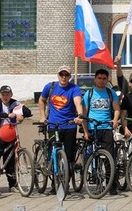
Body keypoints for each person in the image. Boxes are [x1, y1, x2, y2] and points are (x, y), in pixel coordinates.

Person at [38, 66, 83, 194]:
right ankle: (54, 184)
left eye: (66, 75)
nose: (64, 77)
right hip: (53, 125)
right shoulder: (50, 87)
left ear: (70, 76)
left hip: (69, 126)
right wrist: (42, 116)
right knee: (53, 154)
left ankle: (65, 183)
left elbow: (78, 103)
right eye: (61, 74)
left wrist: (79, 116)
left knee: (68, 157)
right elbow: (41, 100)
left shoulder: (74, 88)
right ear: (58, 75)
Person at [82, 69, 120, 195]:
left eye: (104, 78)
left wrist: (115, 120)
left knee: (109, 158)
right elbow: (84, 114)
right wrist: (86, 131)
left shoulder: (111, 93)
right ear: (95, 79)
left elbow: (116, 109)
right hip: (93, 128)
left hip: (107, 128)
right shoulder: (89, 94)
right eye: (99, 78)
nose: (102, 80)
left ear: (107, 79)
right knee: (94, 157)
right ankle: (97, 182)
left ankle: (111, 184)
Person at [0, 85, 32, 193]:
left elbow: (28, 111)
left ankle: (12, 184)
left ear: (11, 95)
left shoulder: (15, 103)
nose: (5, 96)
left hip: (11, 136)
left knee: (11, 161)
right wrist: (7, 115)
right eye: (3, 94)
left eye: (7, 94)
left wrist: (22, 115)